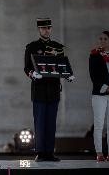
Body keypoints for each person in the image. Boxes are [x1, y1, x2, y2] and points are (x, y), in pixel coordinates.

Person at [24, 18, 74, 162]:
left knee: (51, 122)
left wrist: (68, 74)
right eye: (43, 28)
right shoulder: (32, 47)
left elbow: (61, 65)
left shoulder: (57, 47)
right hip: (39, 89)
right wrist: (33, 74)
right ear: (39, 30)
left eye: (48, 28)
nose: (46, 30)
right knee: (40, 122)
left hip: (53, 89)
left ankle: (49, 152)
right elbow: (26, 67)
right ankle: (40, 152)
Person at [89, 30, 109, 162]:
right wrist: (108, 88)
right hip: (99, 94)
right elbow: (94, 76)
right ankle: (99, 152)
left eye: (105, 39)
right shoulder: (94, 55)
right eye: (100, 39)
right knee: (99, 124)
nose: (102, 41)